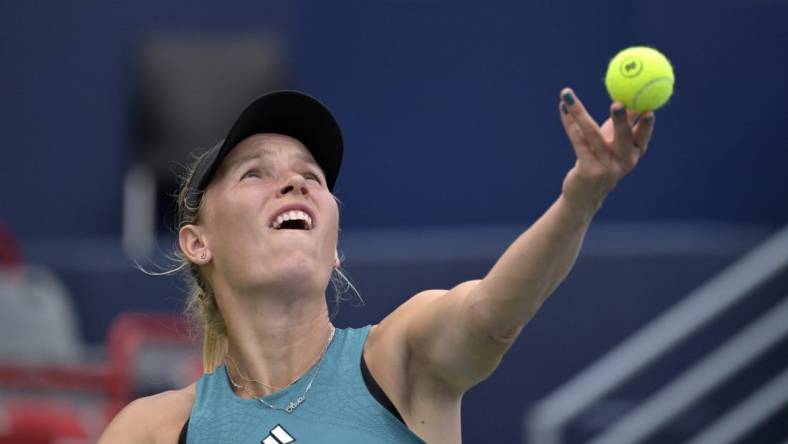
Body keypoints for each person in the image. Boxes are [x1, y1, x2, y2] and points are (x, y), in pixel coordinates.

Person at [98, 88, 654, 444]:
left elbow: (491, 312)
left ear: (333, 246)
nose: (295, 182)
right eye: (254, 174)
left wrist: (580, 199)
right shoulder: (156, 431)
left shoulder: (400, 359)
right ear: (197, 242)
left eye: (311, 177)